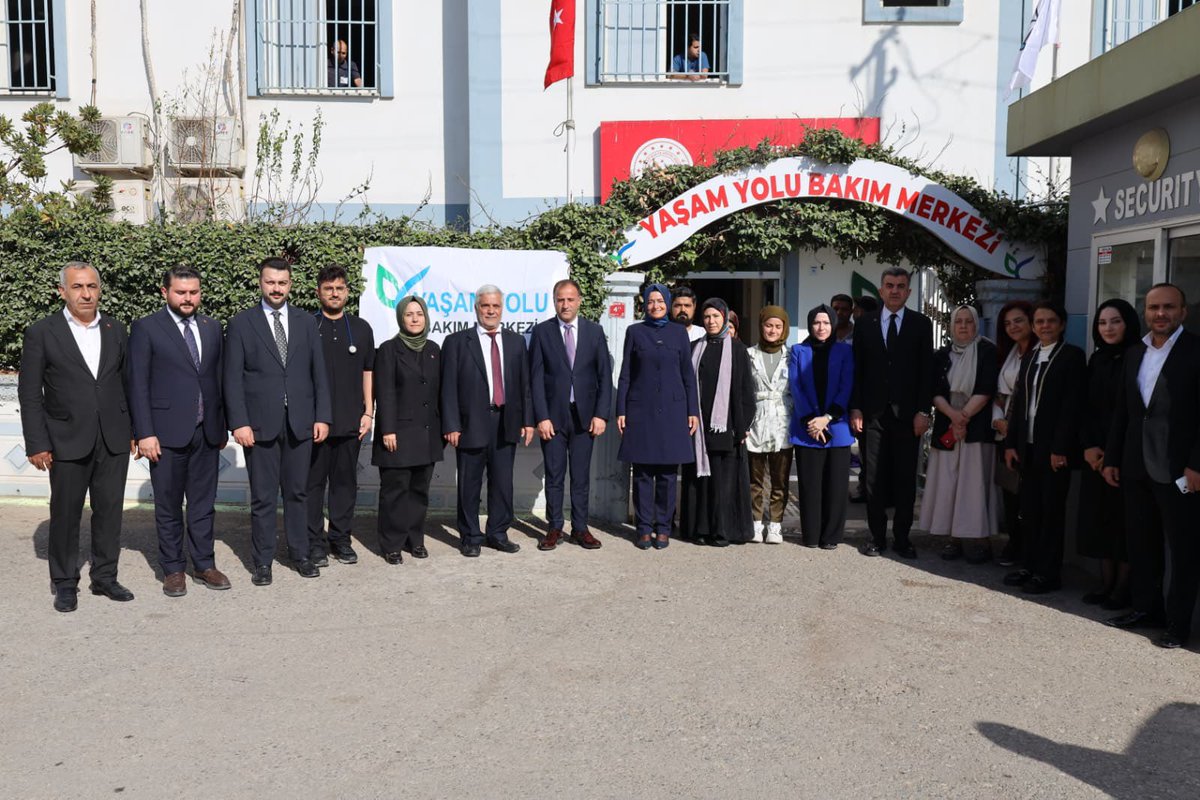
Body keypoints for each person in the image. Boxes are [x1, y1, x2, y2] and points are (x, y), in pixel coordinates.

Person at [19, 262, 135, 612]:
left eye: (92, 286)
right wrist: (37, 443)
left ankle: (105, 577)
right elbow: (30, 393)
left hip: (112, 438)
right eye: (77, 287)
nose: (86, 294)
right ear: (62, 292)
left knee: (109, 511)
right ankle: (65, 582)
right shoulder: (42, 332)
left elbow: (127, 383)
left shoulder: (116, 329)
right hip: (65, 438)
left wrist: (134, 431)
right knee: (66, 513)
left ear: (100, 289)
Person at [1104, 284, 1200, 649]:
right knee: (1142, 544)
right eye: (1154, 307)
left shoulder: (1195, 351)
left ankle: (1178, 625)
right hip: (1135, 466)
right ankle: (1147, 610)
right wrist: (1112, 458)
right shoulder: (1135, 353)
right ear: (1145, 313)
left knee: (1183, 550)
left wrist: (1196, 464)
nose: (1161, 313)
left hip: (1178, 470)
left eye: (1169, 307)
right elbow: (1125, 411)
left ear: (1183, 312)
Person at [225, 257, 332, 585]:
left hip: (301, 423)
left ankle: (300, 554)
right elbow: (232, 378)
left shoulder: (306, 322)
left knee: (298, 493)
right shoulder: (242, 323)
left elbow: (319, 373)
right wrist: (239, 422)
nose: (276, 288)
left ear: (290, 285)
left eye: (282, 283)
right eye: (270, 282)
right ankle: (263, 562)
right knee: (263, 497)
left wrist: (323, 416)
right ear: (261, 282)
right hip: (259, 426)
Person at [127, 266, 229, 597]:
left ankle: (204, 564)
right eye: (181, 292)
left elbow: (219, 379)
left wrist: (222, 425)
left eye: (193, 292)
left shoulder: (212, 328)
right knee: (169, 505)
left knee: (203, 504)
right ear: (165, 292)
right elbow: (137, 383)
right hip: (164, 434)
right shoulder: (146, 328)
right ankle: (173, 569)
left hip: (206, 431)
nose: (188, 298)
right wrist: (144, 432)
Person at [441, 285, 534, 557]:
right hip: (470, 423)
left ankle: (498, 533)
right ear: (476, 308)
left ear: (502, 309)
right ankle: (470, 536)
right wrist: (451, 424)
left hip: (506, 421)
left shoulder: (516, 342)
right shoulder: (457, 342)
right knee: (469, 484)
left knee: (503, 483)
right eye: (485, 306)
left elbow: (524, 385)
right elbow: (447, 387)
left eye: (495, 306)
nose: (490, 311)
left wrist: (528, 421)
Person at [849, 268, 934, 559]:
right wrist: (856, 407)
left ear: (908, 292)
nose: (895, 290)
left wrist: (923, 411)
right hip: (872, 414)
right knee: (873, 479)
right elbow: (857, 369)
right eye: (889, 285)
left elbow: (926, 371)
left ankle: (902, 538)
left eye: (900, 286)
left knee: (904, 479)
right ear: (881, 290)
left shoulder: (921, 324)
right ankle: (876, 537)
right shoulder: (865, 324)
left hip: (908, 417)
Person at [1002, 302, 1086, 594]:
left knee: (1051, 512)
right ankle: (1030, 565)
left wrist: (1060, 448)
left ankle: (1048, 573)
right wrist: (1011, 444)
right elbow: (1019, 403)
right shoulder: (1031, 355)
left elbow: (1072, 407)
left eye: (1051, 321)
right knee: (1030, 510)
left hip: (1053, 450)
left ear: (1062, 324)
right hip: (1027, 446)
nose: (1045, 326)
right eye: (1039, 321)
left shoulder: (1072, 356)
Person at [529, 279, 613, 551]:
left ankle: (580, 528)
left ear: (579, 301)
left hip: (584, 418)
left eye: (570, 299)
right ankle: (554, 527)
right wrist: (541, 416)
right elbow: (535, 378)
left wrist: (601, 415)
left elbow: (604, 376)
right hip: (553, 418)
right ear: (554, 301)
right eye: (560, 300)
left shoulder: (594, 332)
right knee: (554, 476)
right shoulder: (542, 332)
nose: (565, 304)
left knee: (580, 477)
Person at [616, 284, 699, 550]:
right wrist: (621, 410)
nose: (655, 306)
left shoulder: (678, 333)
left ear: (667, 303)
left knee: (667, 474)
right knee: (642, 473)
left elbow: (688, 375)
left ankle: (663, 527)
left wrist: (692, 410)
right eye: (651, 301)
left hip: (673, 412)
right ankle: (643, 528)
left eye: (660, 301)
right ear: (645, 304)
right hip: (641, 411)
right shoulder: (635, 332)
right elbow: (626, 374)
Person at [306, 265, 375, 568]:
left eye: (339, 288)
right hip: (315, 423)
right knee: (312, 485)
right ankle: (314, 543)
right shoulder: (307, 326)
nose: (334, 293)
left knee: (345, 484)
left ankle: (340, 540)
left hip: (351, 421)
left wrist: (368, 411)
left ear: (347, 291)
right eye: (328, 288)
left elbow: (368, 371)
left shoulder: (361, 328)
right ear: (318, 292)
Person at [919, 305, 999, 563]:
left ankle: (979, 540)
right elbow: (934, 390)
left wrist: (963, 416)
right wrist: (953, 417)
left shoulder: (988, 351)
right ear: (951, 326)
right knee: (949, 484)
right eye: (958, 322)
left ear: (976, 324)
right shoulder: (942, 354)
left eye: (968, 321)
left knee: (974, 484)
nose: (963, 326)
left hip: (976, 425)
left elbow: (986, 388)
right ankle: (952, 538)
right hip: (948, 424)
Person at [679, 299, 756, 547]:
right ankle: (699, 530)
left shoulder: (738, 350)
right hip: (697, 427)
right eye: (707, 316)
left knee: (723, 483)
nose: (711, 321)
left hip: (726, 428)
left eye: (716, 316)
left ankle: (722, 531)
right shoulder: (694, 348)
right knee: (699, 481)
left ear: (724, 318)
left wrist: (742, 427)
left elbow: (747, 392)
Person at [1077, 299, 1139, 608]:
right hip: (1095, 454)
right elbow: (1085, 407)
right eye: (1102, 322)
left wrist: (1111, 455)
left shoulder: (1137, 357)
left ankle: (1122, 589)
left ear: (1128, 324)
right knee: (1100, 520)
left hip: (1124, 455)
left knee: (1122, 523)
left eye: (1115, 321)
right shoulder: (1097, 359)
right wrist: (1089, 447)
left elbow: (1128, 412)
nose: (1109, 328)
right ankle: (1106, 583)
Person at [372, 295, 443, 564]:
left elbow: (439, 391)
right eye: (409, 314)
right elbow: (385, 391)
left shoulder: (434, 349)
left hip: (427, 433)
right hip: (398, 434)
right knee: (395, 491)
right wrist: (387, 429)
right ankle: (392, 544)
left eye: (419, 314)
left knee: (419, 491)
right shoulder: (389, 349)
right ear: (401, 318)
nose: (415, 319)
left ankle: (415, 540)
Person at [789, 305, 855, 549]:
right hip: (807, 429)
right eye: (816, 322)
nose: (821, 327)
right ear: (810, 325)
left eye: (826, 323)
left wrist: (826, 418)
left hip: (836, 427)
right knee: (810, 486)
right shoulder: (798, 350)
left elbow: (847, 385)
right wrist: (812, 421)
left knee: (836, 487)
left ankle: (831, 537)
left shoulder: (845, 351)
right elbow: (796, 386)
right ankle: (811, 536)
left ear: (833, 324)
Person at [991, 300, 1035, 567]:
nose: (1013, 327)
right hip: (1004, 432)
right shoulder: (1008, 353)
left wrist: (1013, 425)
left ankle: (1028, 550)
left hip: (1027, 433)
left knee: (1027, 497)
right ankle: (1014, 543)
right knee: (1009, 492)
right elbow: (999, 394)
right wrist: (998, 420)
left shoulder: (1039, 352)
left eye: (1018, 320)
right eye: (1007, 323)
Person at [747, 306, 793, 544]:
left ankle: (775, 524)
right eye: (768, 325)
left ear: (784, 328)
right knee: (755, 479)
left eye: (778, 326)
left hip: (783, 422)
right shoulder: (749, 354)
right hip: (756, 421)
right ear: (761, 326)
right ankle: (755, 523)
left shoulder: (792, 356)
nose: (773, 331)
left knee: (780, 479)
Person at [848, 295, 879, 504]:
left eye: (855, 309)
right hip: (859, 400)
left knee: (869, 451)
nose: (853, 313)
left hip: (869, 403)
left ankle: (869, 489)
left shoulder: (867, 331)